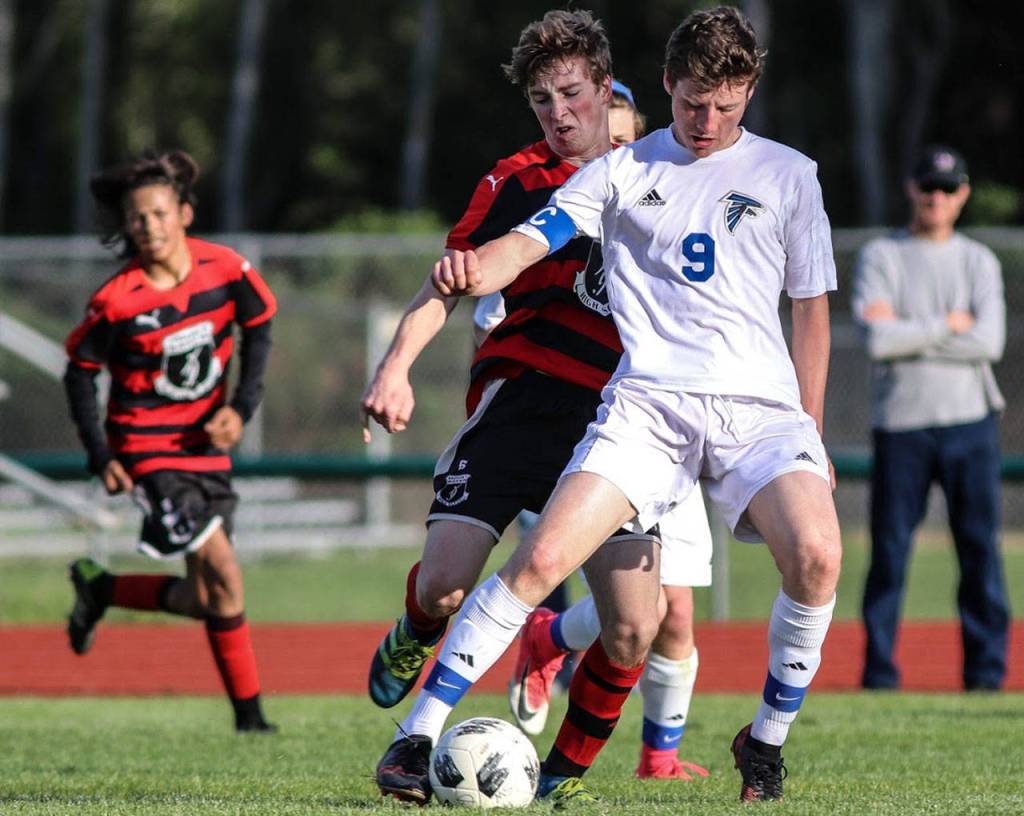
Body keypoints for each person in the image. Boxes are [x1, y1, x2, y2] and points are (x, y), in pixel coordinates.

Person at [430, 6, 842, 803]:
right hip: (648, 409)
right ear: (666, 83)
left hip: (757, 414)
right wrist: (474, 269)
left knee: (819, 558)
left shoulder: (790, 174)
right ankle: (423, 736)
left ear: (750, 89)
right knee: (562, 571)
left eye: (725, 105)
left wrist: (812, 429)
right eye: (692, 101)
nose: (707, 121)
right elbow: (536, 237)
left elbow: (811, 308)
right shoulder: (623, 168)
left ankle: (764, 743)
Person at [362, 12, 707, 806]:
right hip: (519, 405)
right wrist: (396, 369)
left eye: (574, 94)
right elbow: (448, 280)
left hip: (616, 424)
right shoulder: (514, 182)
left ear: (605, 87)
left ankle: (560, 778)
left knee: (632, 625)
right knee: (447, 586)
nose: (559, 112)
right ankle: (416, 637)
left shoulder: (662, 179)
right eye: (544, 99)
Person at [503, 78, 710, 783]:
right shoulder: (571, 226)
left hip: (680, 421)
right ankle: (629, 745)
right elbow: (506, 308)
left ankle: (651, 751)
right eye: (607, 144)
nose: (617, 155)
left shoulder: (679, 207)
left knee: (672, 616)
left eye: (627, 140)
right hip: (604, 432)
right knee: (660, 607)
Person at [63, 149, 277, 733]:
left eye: (159, 213)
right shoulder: (117, 299)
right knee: (225, 572)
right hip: (148, 452)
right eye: (138, 218)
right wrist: (101, 454)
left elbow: (259, 329)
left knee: (207, 595)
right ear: (127, 227)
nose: (149, 226)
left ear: (184, 213)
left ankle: (101, 589)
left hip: (206, 450)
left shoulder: (227, 270)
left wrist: (239, 408)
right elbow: (79, 373)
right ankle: (253, 722)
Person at [853, 146, 1009, 691]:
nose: (936, 198)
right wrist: (950, 323)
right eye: (928, 187)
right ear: (911, 188)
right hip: (901, 425)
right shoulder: (881, 256)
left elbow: (989, 342)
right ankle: (878, 675)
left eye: (947, 189)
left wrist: (910, 331)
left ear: (963, 194)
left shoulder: (978, 261)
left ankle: (987, 677)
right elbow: (877, 340)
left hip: (971, 422)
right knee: (890, 555)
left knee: (980, 553)